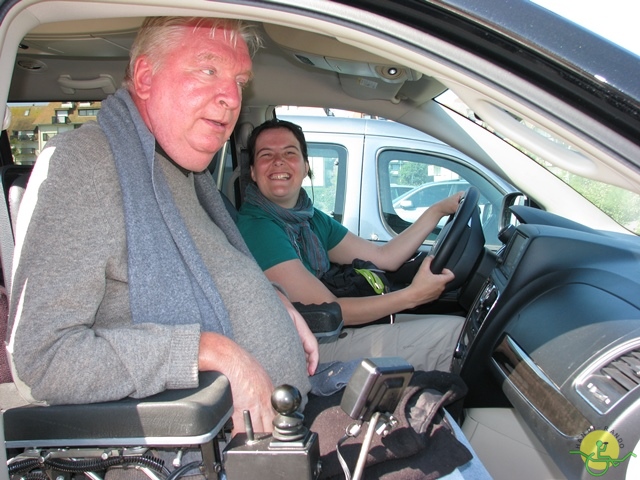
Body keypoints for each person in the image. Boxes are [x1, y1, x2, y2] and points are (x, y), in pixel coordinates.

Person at [6, 16, 318, 436]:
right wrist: (209, 351)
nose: (231, 97)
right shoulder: (87, 163)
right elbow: (43, 360)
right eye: (208, 70)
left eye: (240, 81)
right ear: (145, 77)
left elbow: (217, 276)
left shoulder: (189, 174)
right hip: (213, 451)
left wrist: (273, 299)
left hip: (286, 421)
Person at [236, 118, 465, 372]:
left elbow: (384, 256)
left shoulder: (310, 218)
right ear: (254, 173)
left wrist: (438, 210)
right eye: (266, 155)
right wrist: (412, 296)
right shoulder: (257, 227)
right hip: (305, 348)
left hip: (326, 329)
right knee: (452, 336)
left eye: (289, 153)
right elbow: (332, 309)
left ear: (305, 167)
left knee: (455, 324)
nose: (278, 160)